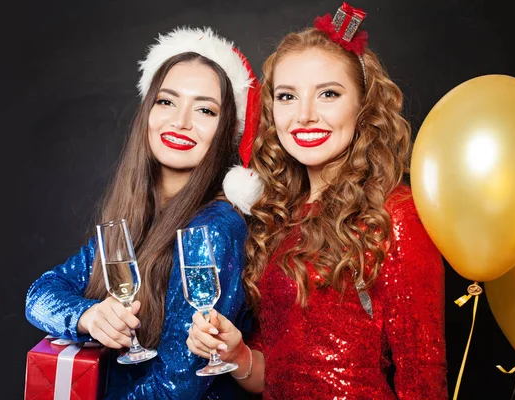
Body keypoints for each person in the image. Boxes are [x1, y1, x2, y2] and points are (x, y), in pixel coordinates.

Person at [187, 4, 448, 399]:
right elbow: (274, 376)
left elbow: (424, 379)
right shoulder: (278, 216)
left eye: (328, 93)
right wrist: (238, 353)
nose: (304, 115)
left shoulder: (395, 215)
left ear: (363, 104)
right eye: (288, 96)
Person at [25, 27, 261, 399]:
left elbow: (176, 387)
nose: (180, 121)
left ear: (227, 130)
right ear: (147, 110)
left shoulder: (214, 229)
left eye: (204, 109)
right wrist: (88, 316)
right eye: (166, 102)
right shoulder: (138, 218)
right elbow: (40, 295)